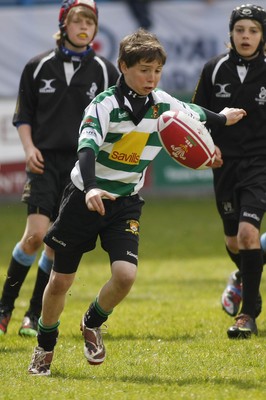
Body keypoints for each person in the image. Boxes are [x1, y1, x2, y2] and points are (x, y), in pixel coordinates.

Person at [27, 27, 246, 376]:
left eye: (157, 71)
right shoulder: (104, 106)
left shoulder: (162, 104)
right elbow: (86, 149)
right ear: (123, 67)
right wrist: (93, 188)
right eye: (144, 69)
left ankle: (92, 322)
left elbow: (191, 112)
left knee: (125, 276)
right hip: (85, 198)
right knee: (61, 282)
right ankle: (44, 346)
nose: (151, 77)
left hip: (125, 200)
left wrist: (223, 118)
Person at [0, 0, 119, 338]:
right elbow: (23, 116)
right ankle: (4, 307)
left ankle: (33, 314)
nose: (84, 26)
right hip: (45, 162)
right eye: (77, 20)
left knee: (54, 244)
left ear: (96, 29)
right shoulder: (37, 66)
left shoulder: (106, 70)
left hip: (81, 165)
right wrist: (29, 149)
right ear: (63, 24)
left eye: (90, 21)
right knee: (35, 236)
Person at [192, 4, 266, 338]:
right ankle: (244, 281)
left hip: (260, 163)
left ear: (262, 35)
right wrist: (209, 145)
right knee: (234, 241)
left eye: (252, 30)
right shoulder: (213, 69)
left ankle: (247, 313)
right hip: (224, 166)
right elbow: (195, 114)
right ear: (231, 34)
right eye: (240, 30)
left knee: (249, 234)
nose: (246, 36)